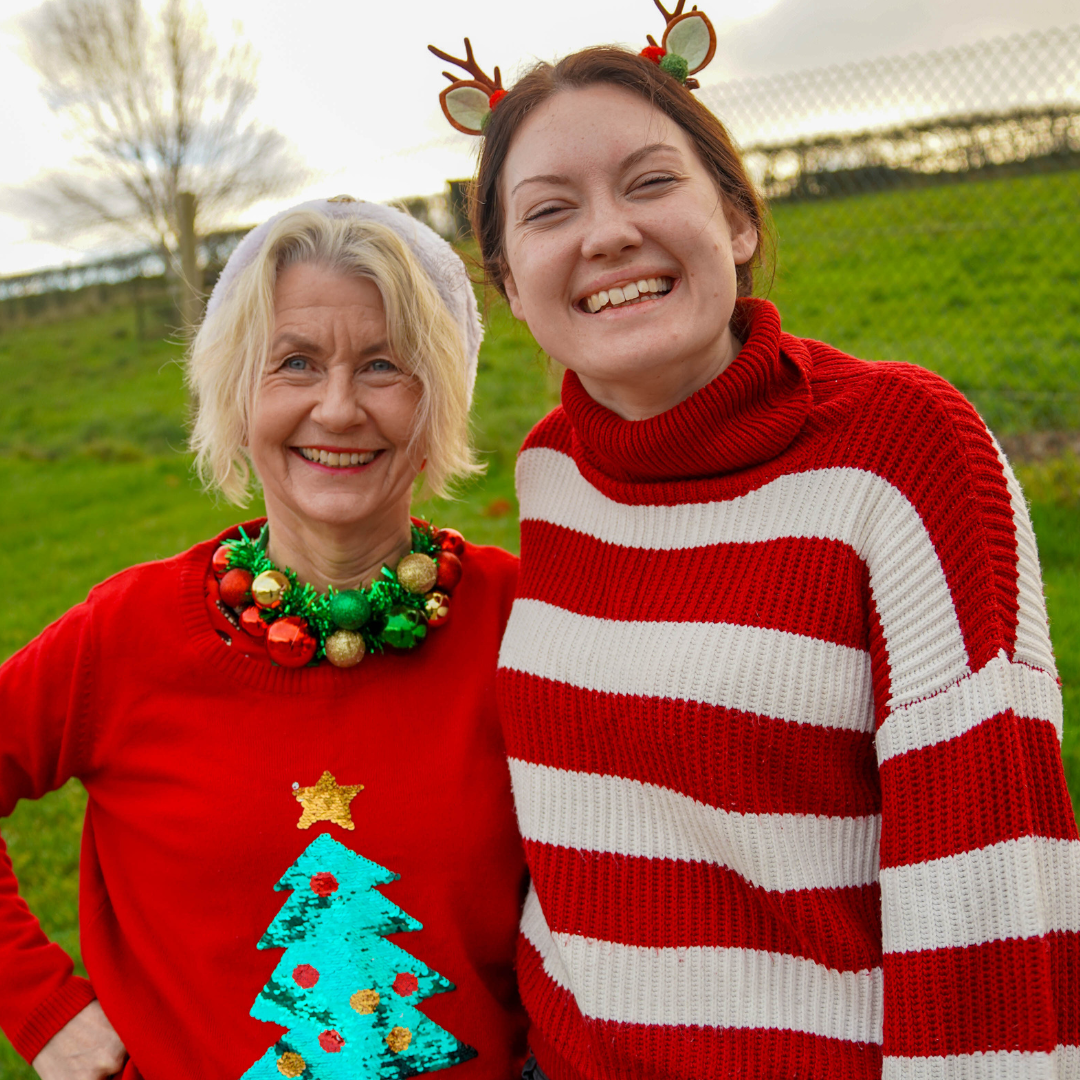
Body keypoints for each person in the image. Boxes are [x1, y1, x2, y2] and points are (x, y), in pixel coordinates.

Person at [439, 30, 1079, 1080]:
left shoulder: (906, 449)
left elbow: (991, 874)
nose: (606, 235)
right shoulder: (551, 472)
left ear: (736, 219)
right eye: (551, 210)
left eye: (649, 182)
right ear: (513, 285)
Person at [0, 199, 528, 1080]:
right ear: (237, 395)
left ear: (441, 397)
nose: (338, 407)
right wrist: (41, 1007)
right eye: (294, 363)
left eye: (384, 366)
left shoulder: (522, 619)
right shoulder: (126, 635)